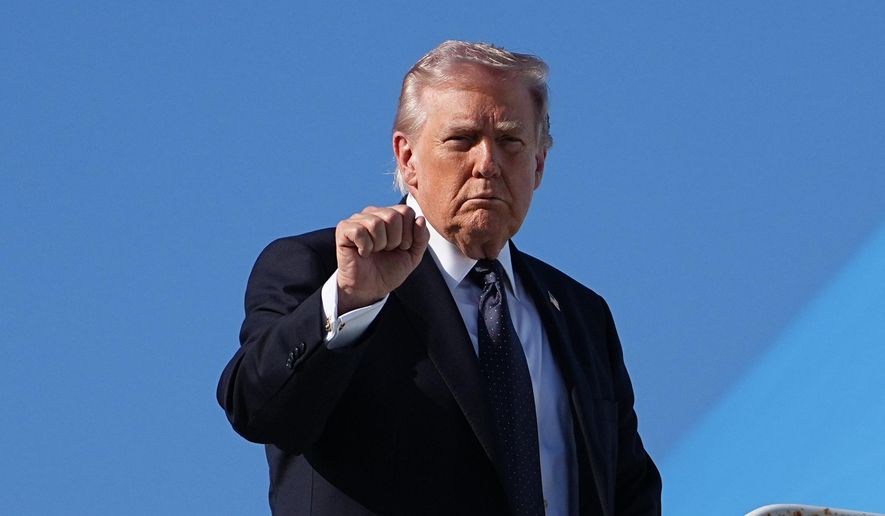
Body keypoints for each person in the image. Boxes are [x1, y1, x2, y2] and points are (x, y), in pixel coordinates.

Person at [217, 40, 661, 516]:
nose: (487, 163)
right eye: (462, 139)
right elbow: (257, 408)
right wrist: (350, 299)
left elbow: (629, 492)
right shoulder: (320, 268)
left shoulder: (581, 315)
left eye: (511, 141)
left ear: (538, 165)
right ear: (407, 158)